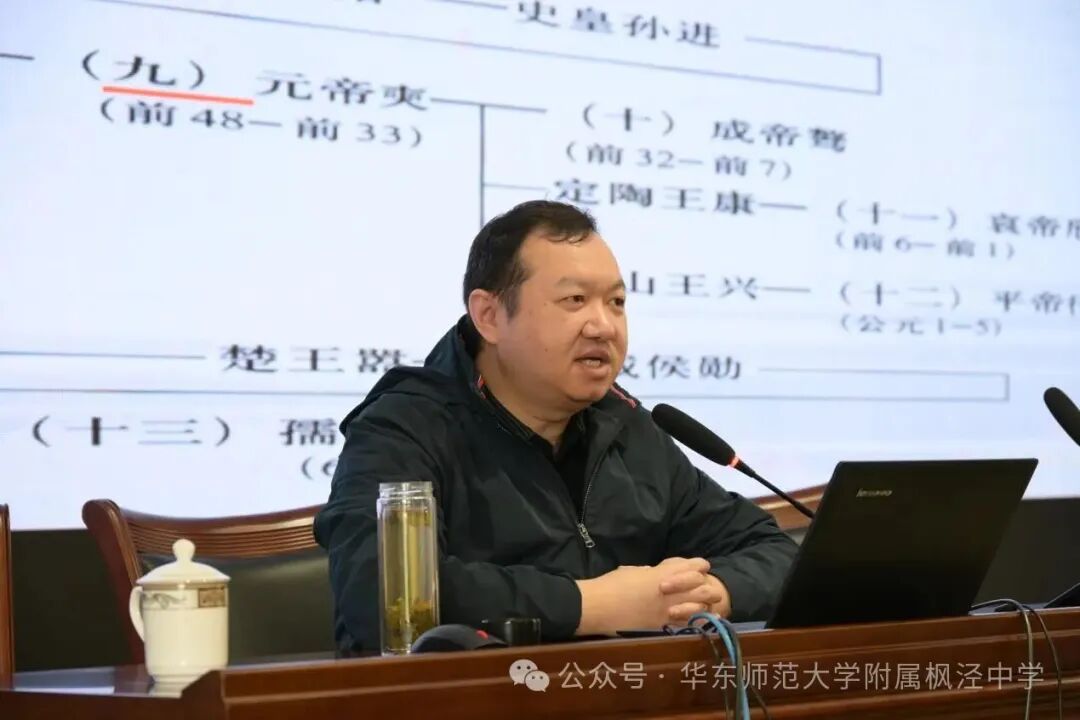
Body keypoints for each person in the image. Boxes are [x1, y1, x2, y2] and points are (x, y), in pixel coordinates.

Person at [314, 200, 797, 652]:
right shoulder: (404, 428)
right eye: (575, 299)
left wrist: (709, 594)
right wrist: (591, 605)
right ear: (489, 316)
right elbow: (382, 593)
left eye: (616, 302)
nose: (603, 325)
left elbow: (775, 553)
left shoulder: (626, 428)